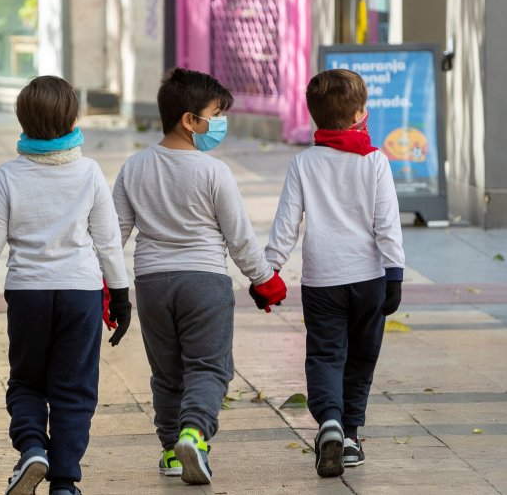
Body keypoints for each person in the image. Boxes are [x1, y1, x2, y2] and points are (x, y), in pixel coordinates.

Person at [0, 76, 131, 495]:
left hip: (28, 294)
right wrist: (121, 297)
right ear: (72, 117)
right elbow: (108, 242)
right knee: (74, 387)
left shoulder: (8, 175)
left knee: (28, 380)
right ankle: (65, 480)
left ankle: (33, 447)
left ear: (22, 121)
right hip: (81, 294)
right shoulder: (89, 173)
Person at [111, 68, 287, 485]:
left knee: (166, 372)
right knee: (209, 368)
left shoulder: (134, 167)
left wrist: (104, 283)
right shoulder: (213, 172)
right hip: (204, 282)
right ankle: (194, 433)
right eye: (216, 114)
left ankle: (172, 450)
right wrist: (265, 282)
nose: (221, 123)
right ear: (190, 120)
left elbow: (112, 235)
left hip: (152, 284)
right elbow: (240, 238)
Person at [264, 69, 405, 478]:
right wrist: (394, 273)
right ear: (360, 113)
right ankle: (351, 437)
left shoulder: (303, 163)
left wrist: (269, 271)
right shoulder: (375, 161)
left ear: (313, 117)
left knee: (325, 355)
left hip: (322, 279)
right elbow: (387, 223)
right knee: (361, 358)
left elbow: (286, 225)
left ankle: (329, 422)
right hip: (369, 279)